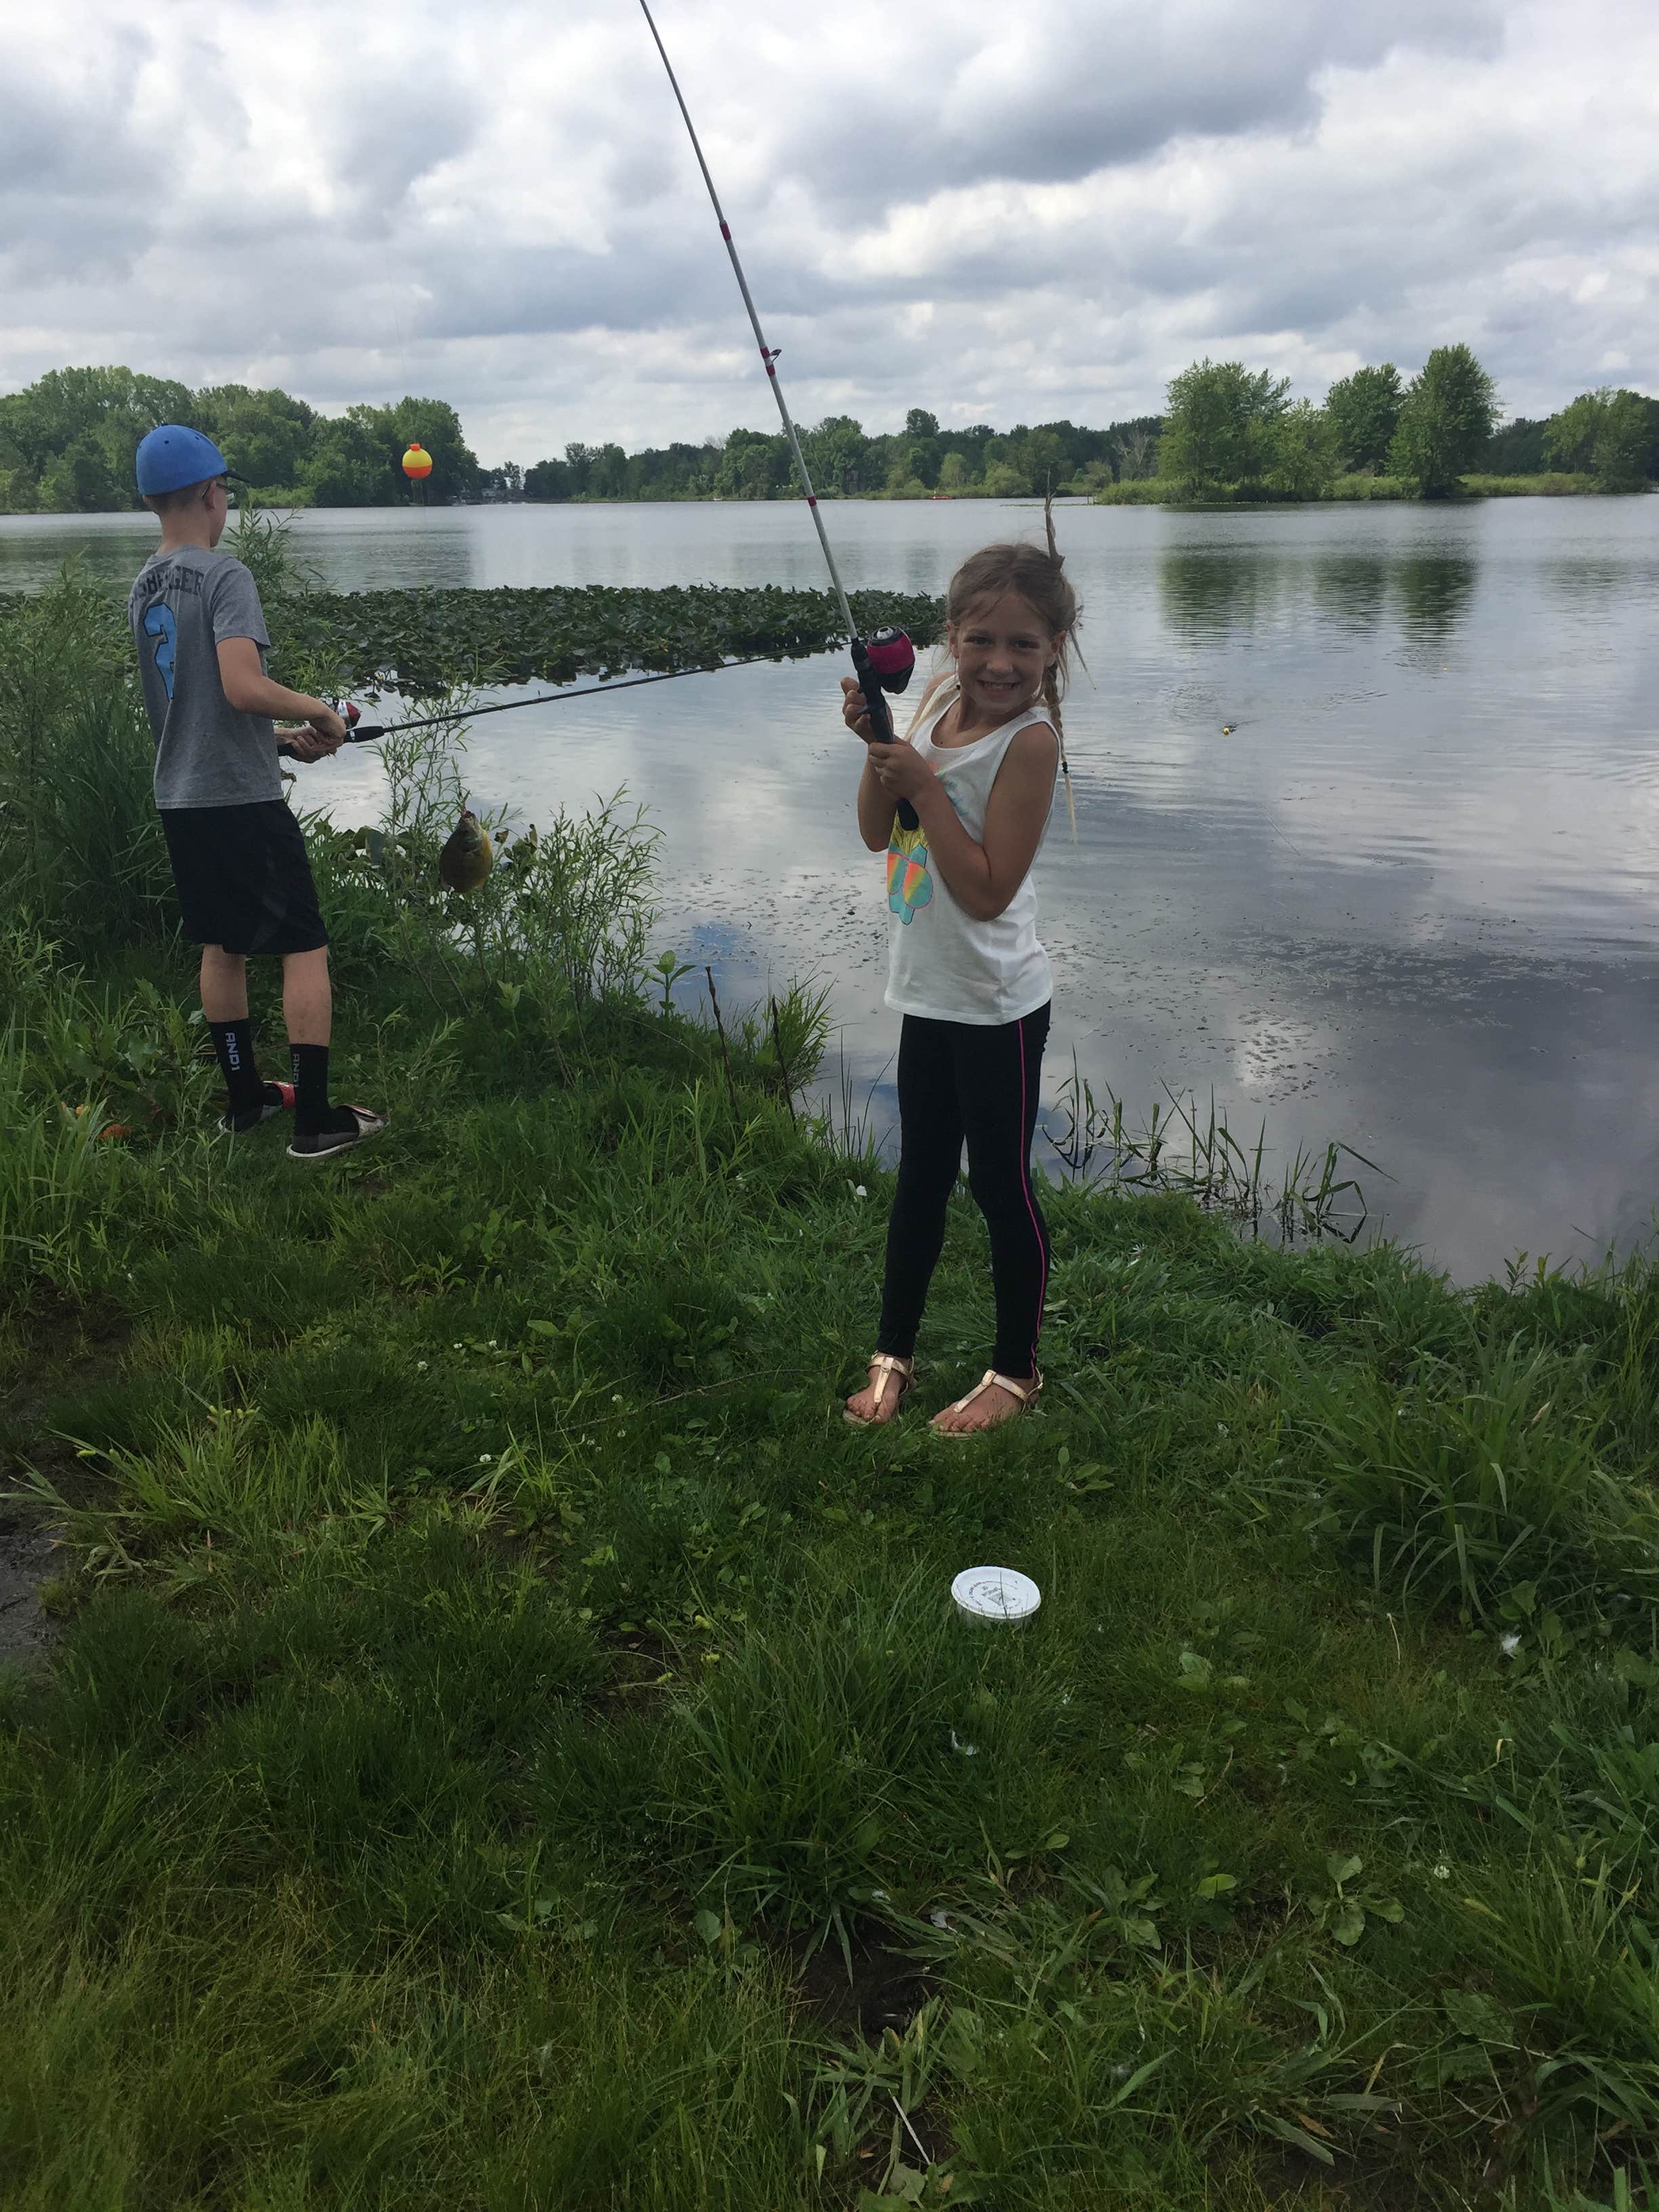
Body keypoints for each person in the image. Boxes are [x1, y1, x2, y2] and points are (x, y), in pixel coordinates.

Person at [842, 525, 1077, 1436]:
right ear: (950, 638)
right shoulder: (935, 714)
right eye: (981, 640)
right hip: (928, 993)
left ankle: (1016, 1373)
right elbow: (876, 832)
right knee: (920, 1177)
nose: (1000, 662)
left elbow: (985, 893)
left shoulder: (1032, 743)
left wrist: (929, 791)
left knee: (999, 1187)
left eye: (1024, 643)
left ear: (1054, 648)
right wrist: (880, 750)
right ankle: (892, 1356)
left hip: (998, 1005)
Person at [128, 424, 384, 1161]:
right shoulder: (224, 575)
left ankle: (247, 1103)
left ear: (153, 502)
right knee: (304, 947)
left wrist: (276, 744)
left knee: (223, 945)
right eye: (225, 492)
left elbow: (192, 710)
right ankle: (315, 1123)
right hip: (240, 805)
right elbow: (242, 687)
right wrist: (318, 713)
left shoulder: (144, 586)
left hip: (181, 797)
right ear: (212, 494)